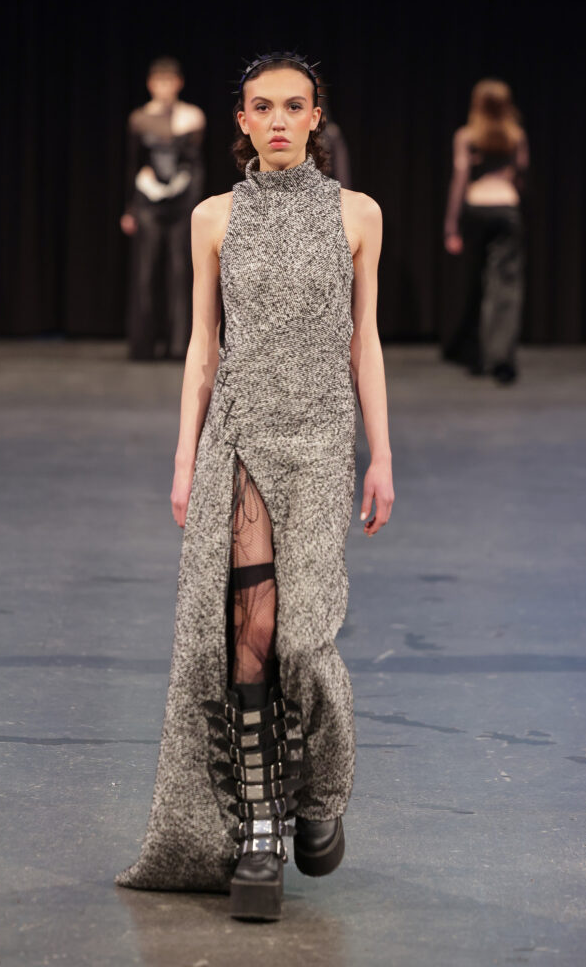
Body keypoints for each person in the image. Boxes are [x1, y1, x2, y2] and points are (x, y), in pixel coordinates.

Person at [114, 50, 394, 921]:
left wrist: (382, 454)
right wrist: (182, 456)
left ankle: (320, 790)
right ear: (240, 120)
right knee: (249, 632)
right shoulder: (213, 217)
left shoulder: (357, 214)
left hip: (319, 435)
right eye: (261, 107)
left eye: (292, 106)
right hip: (238, 433)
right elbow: (203, 345)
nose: (277, 120)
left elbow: (363, 340)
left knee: (305, 642)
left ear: (315, 117)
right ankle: (260, 830)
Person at [443, 78, 529, 384]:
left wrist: (451, 224)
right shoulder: (516, 136)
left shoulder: (467, 136)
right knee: (505, 285)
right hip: (505, 208)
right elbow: (521, 172)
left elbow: (460, 178)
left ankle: (477, 355)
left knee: (478, 281)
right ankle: (501, 359)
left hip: (476, 208)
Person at [121, 56, 206, 360]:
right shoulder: (139, 118)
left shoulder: (192, 116)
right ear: (150, 84)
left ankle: (179, 345)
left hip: (181, 202)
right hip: (148, 200)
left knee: (180, 271)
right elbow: (133, 163)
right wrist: (130, 209)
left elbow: (196, 165)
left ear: (178, 83)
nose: (164, 87)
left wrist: (195, 208)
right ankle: (143, 346)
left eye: (169, 81)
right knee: (145, 272)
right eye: (159, 81)